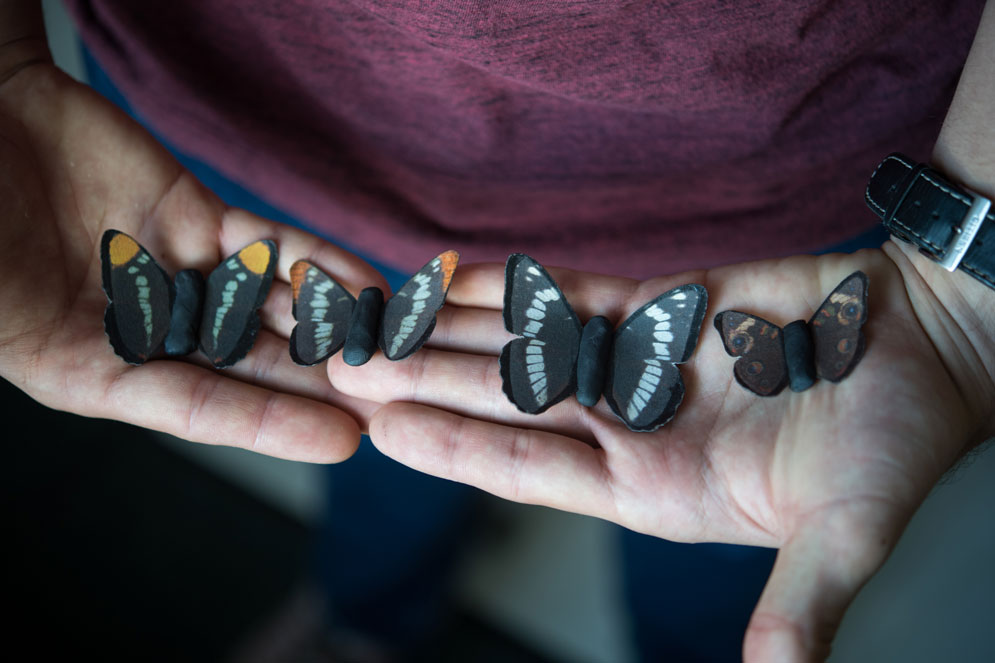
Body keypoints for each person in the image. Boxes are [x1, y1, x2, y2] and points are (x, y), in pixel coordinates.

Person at [1, 1, 992, 661]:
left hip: (797, 202)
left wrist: (967, 293)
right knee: (368, 442)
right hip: (212, 139)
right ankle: (364, 620)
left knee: (718, 541)